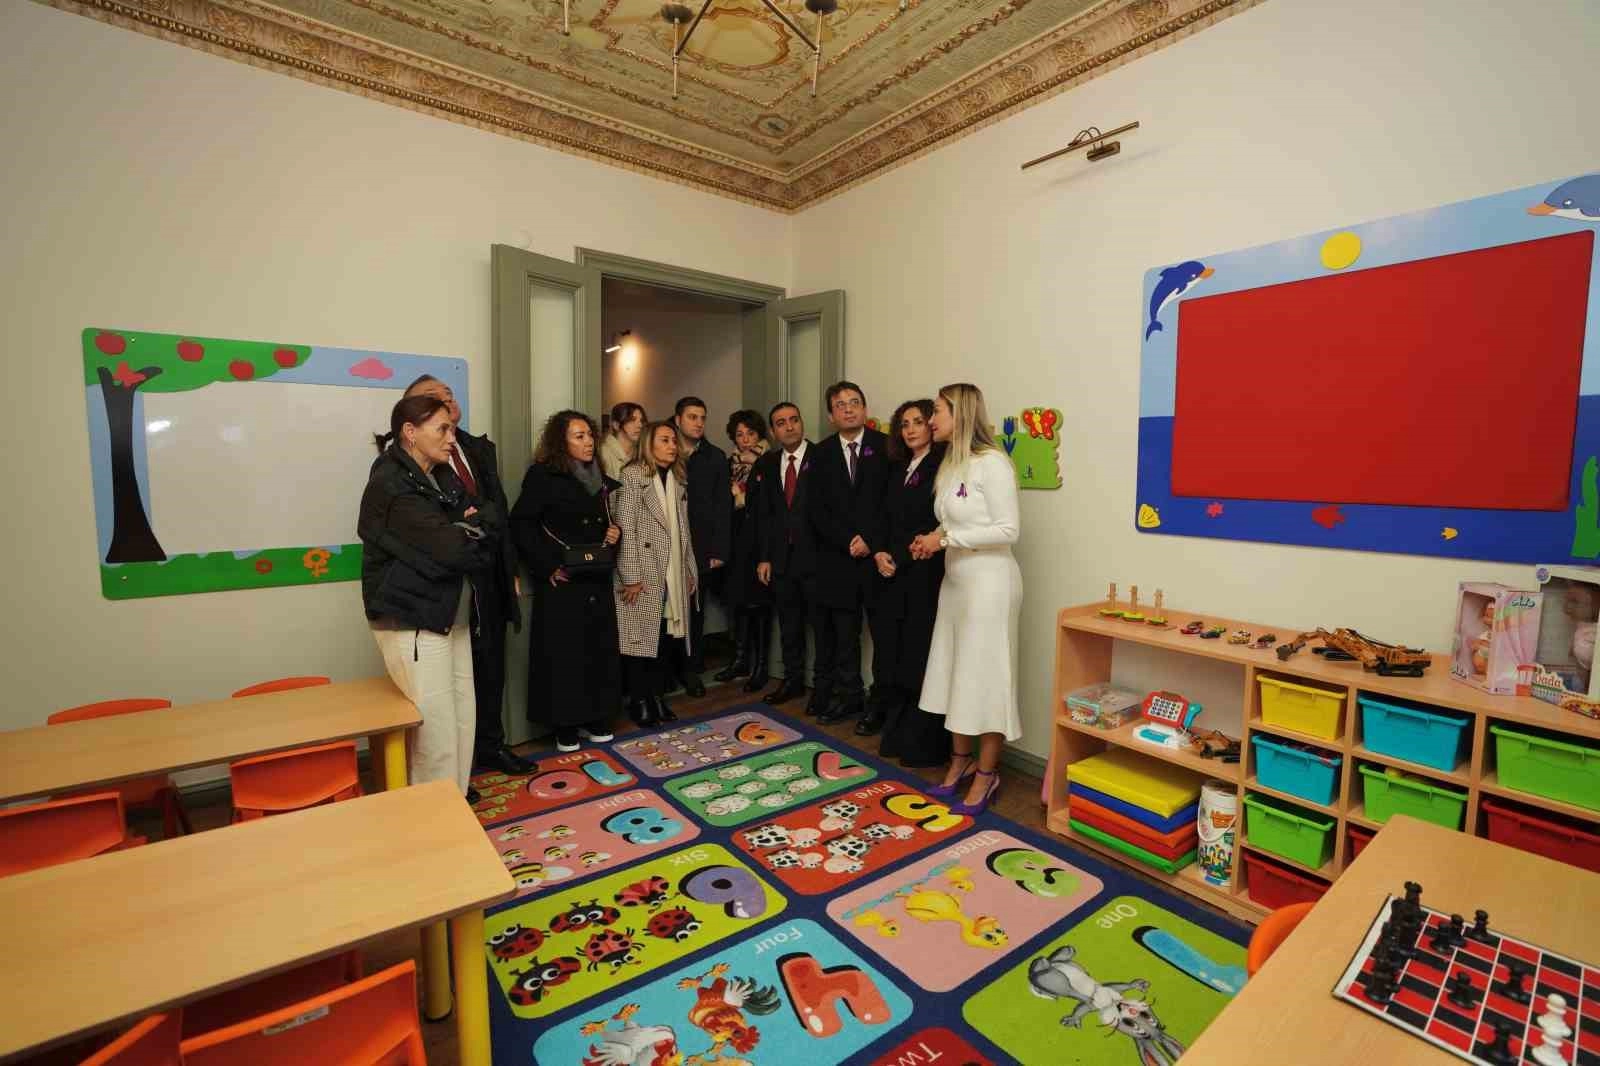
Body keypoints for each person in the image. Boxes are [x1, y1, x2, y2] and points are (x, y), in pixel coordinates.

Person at [358, 393, 495, 796]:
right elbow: (453, 551)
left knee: (462, 718)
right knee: (434, 732)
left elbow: (489, 521)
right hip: (414, 617)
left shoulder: (440, 474)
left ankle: (455, 801)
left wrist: (465, 530)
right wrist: (463, 531)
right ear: (410, 432)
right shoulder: (390, 483)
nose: (452, 438)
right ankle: (432, 812)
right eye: (443, 429)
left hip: (449, 612)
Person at [403, 374, 533, 777]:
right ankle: (461, 764)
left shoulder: (478, 448)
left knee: (492, 665)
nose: (447, 401)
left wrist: (509, 566)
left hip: (489, 570)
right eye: (434, 399)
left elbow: (497, 511)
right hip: (452, 576)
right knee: (454, 677)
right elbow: (447, 522)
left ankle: (491, 746)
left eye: (449, 395)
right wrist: (473, 519)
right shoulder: (409, 462)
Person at [915, 383, 1023, 816]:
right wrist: (932, 539)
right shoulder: (951, 465)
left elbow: (1008, 529)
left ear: (959, 414)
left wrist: (945, 540)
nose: (931, 420)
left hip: (989, 586)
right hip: (956, 584)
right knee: (955, 672)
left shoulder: (993, 463)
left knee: (985, 677)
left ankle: (987, 773)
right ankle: (960, 760)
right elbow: (952, 524)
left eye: (937, 411)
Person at [509, 411, 623, 753]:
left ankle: (596, 717)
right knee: (564, 657)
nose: (588, 442)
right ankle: (566, 725)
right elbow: (522, 525)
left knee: (597, 652)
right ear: (561, 441)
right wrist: (547, 567)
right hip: (564, 582)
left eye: (590, 435)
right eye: (579, 436)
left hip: (596, 577)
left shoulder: (600, 476)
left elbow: (605, 522)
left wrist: (614, 534)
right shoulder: (542, 475)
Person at [867, 399, 950, 769]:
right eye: (904, 424)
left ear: (931, 424)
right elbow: (883, 517)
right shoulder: (897, 467)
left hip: (923, 572)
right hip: (891, 573)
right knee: (895, 656)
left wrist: (899, 555)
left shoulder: (943, 466)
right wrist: (880, 552)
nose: (911, 429)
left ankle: (923, 743)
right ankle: (896, 733)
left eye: (918, 421)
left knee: (919, 655)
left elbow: (933, 522)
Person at [807, 381, 889, 723]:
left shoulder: (886, 446)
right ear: (831, 416)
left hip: (879, 558)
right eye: (840, 405)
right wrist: (847, 540)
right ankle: (850, 696)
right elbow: (816, 509)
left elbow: (892, 502)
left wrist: (869, 538)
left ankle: (881, 704)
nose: (849, 409)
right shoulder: (820, 453)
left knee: (884, 636)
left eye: (855, 402)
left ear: (865, 409)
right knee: (845, 637)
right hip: (838, 560)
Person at [614, 420, 699, 726]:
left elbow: (683, 532)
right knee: (640, 641)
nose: (672, 446)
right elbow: (626, 529)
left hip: (672, 571)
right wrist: (631, 577)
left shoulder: (677, 479)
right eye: (664, 440)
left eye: (674, 441)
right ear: (648, 444)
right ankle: (640, 700)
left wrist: (688, 570)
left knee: (663, 639)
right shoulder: (632, 475)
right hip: (643, 571)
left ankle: (658, 697)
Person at [754, 402, 815, 706]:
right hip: (781, 559)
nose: (789, 426)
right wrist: (764, 557)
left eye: (794, 420)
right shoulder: (767, 463)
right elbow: (764, 514)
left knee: (823, 627)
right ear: (773, 431)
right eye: (781, 423)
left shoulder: (822, 456)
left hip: (815, 557)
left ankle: (825, 687)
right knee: (789, 626)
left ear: (801, 422)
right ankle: (793, 681)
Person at [673, 397, 730, 698]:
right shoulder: (665, 450)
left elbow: (723, 507)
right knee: (667, 611)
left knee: (695, 612)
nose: (698, 423)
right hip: (667, 546)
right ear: (678, 419)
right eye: (692, 417)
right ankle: (667, 671)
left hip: (702, 547)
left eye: (702, 418)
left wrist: (719, 550)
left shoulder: (715, 456)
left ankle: (692, 670)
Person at [716, 409, 772, 693]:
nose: (745, 439)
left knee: (759, 603)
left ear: (759, 434)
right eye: (739, 435)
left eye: (750, 433)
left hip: (760, 540)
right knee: (737, 601)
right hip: (735, 539)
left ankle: (761, 666)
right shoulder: (730, 463)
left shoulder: (769, 461)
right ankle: (740, 660)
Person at [602, 402, 646, 482]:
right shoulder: (604, 454)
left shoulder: (642, 452)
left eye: (641, 420)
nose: (640, 425)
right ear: (616, 425)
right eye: (632, 420)